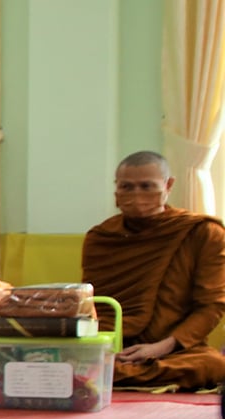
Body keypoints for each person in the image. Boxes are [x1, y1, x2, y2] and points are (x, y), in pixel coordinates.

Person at [82, 151, 225, 390]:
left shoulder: (202, 233)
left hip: (173, 350)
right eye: (127, 187)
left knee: (213, 365)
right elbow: (94, 305)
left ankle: (108, 374)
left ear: (168, 185)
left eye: (146, 186)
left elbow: (212, 305)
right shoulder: (102, 237)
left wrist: (162, 347)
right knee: (69, 361)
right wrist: (104, 347)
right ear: (116, 189)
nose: (136, 195)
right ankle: (108, 369)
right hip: (115, 346)